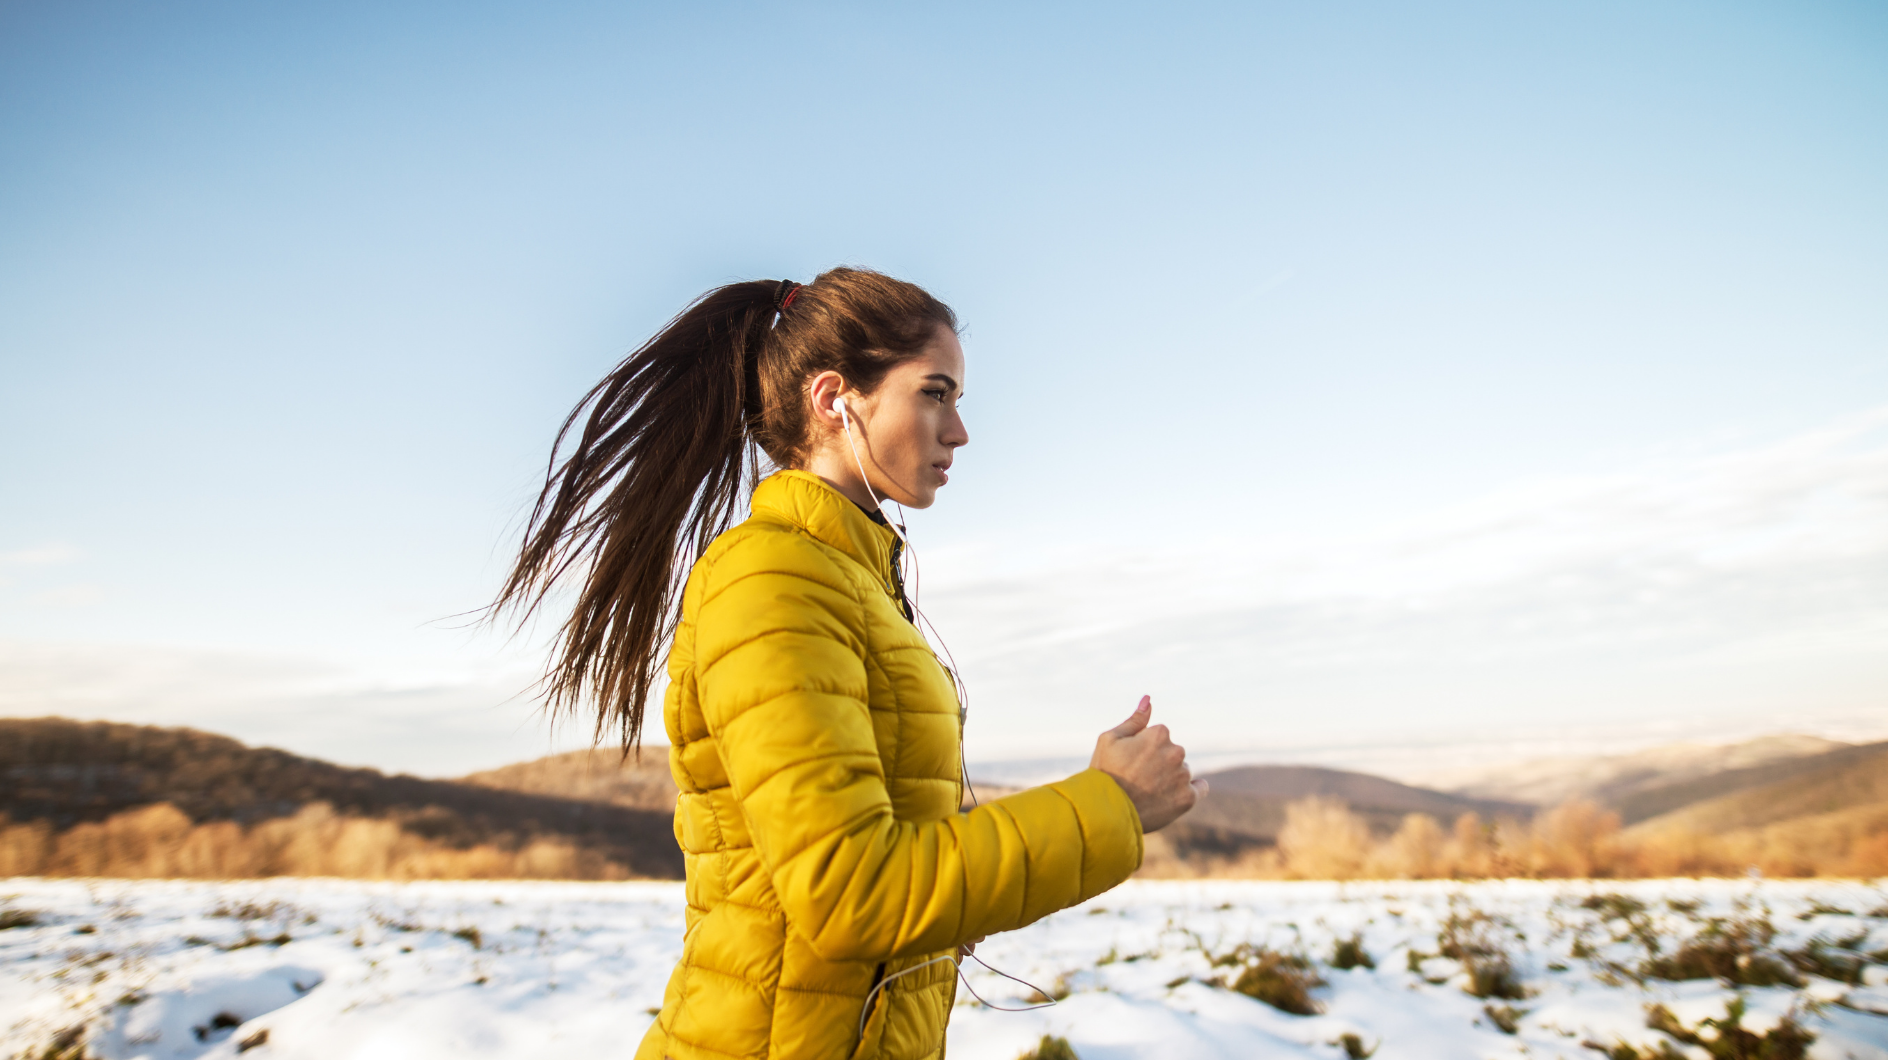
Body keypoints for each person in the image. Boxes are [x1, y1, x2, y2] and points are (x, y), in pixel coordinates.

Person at [492, 267, 1206, 1060]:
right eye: (935, 393)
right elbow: (850, 894)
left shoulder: (849, 577)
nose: (959, 430)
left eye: (957, 399)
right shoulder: (772, 580)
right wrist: (1111, 804)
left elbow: (871, 868)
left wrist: (944, 918)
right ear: (836, 399)